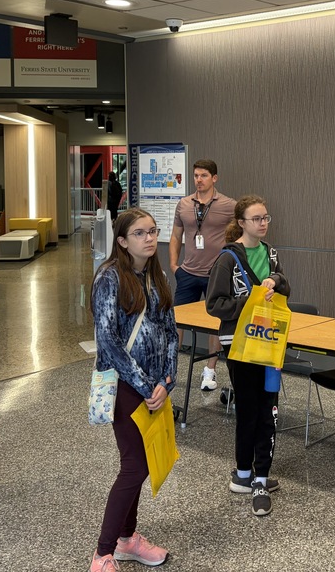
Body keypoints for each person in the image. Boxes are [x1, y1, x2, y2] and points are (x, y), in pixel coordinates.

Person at [89, 208, 177, 571]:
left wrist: (166, 381)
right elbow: (107, 340)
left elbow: (171, 331)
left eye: (153, 231)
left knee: (141, 464)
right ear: (122, 241)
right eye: (140, 233)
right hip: (125, 386)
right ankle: (102, 553)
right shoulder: (109, 278)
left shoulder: (157, 275)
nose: (150, 238)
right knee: (134, 465)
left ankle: (127, 540)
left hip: (154, 386)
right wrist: (144, 384)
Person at [205, 194, 289, 517]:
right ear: (242, 223)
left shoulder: (271, 253)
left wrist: (276, 280)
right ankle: (248, 475)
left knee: (267, 409)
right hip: (239, 344)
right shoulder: (227, 259)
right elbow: (215, 305)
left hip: (270, 342)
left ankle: (254, 475)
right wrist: (252, 300)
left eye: (266, 217)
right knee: (250, 409)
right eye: (257, 219)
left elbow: (286, 287)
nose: (263, 223)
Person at [169, 159, 237, 391]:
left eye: (204, 176)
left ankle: (209, 371)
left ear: (214, 178)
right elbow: (176, 236)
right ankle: (170, 369)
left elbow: (238, 238)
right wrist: (174, 265)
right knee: (176, 321)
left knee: (215, 323)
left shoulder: (229, 205)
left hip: (216, 275)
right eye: (196, 175)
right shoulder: (184, 204)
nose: (199, 180)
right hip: (187, 272)